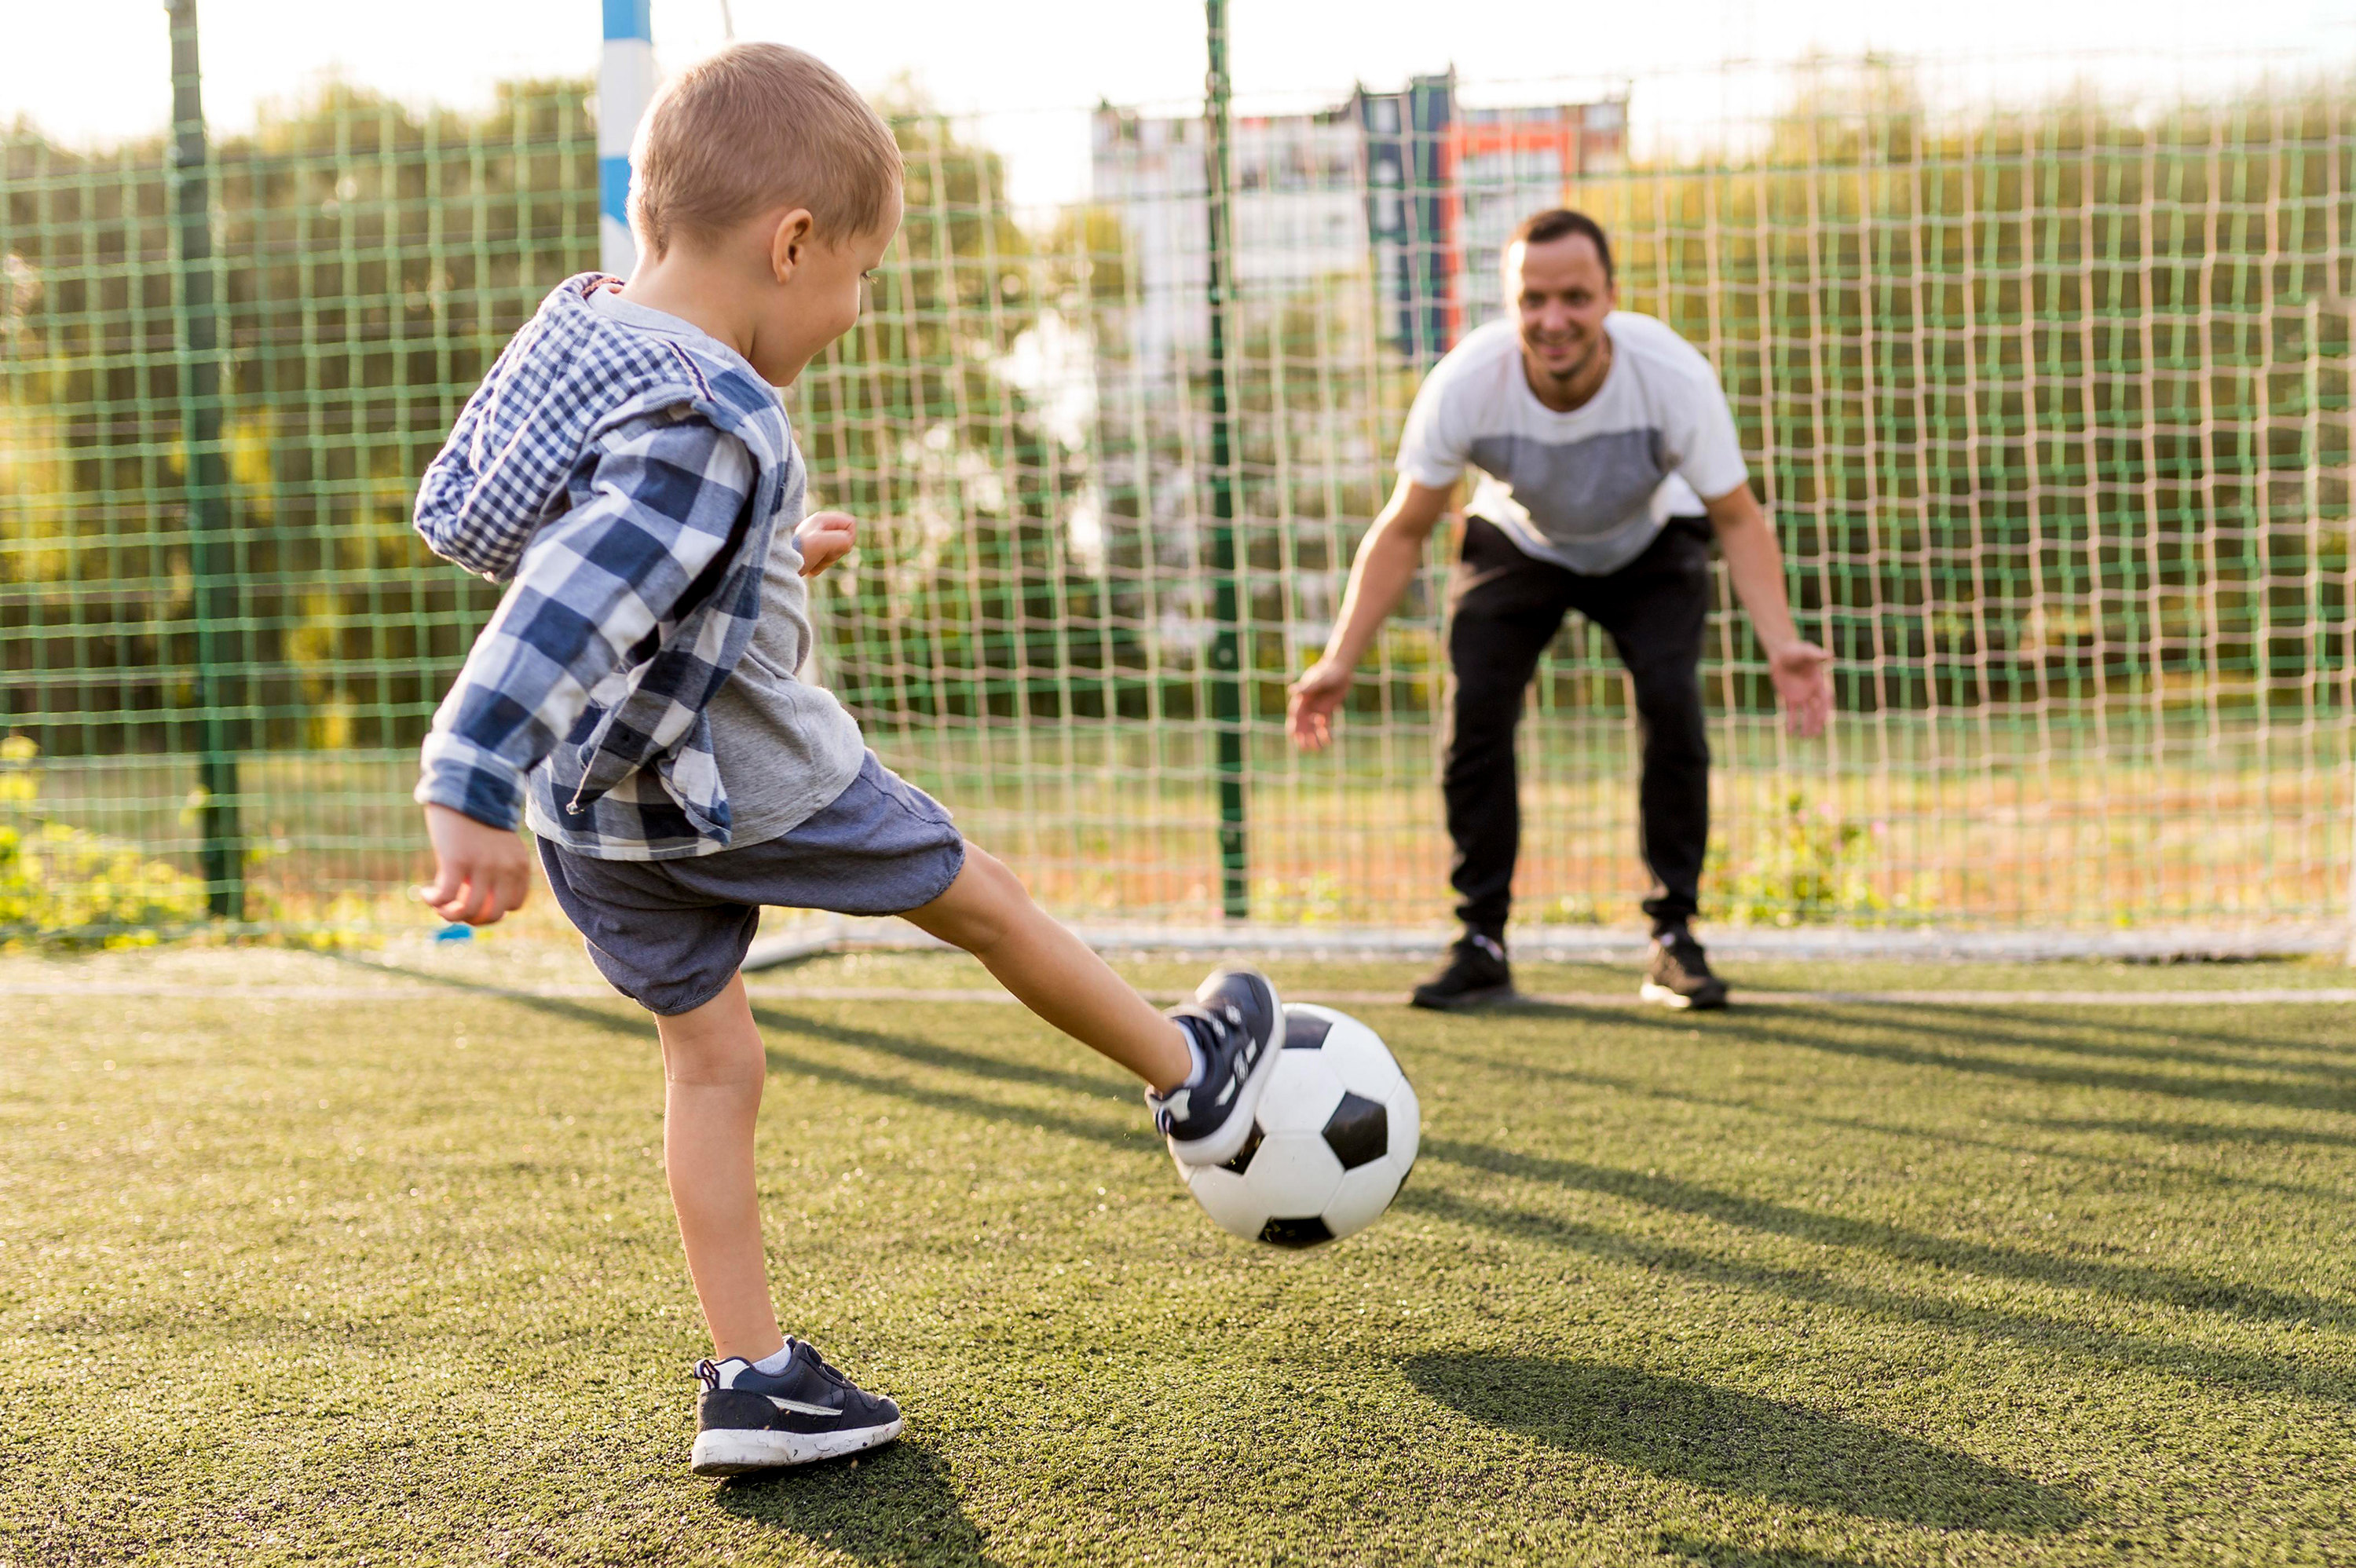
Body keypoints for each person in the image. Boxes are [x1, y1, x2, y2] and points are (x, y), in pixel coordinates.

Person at [408, 43, 1283, 1477]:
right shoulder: (708, 414)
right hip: (737, 774)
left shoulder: (576, 335)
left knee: (711, 1064)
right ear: (792, 241)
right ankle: (1193, 1070)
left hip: (603, 819)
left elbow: (502, 515)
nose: (857, 311)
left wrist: (749, 554)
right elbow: (567, 595)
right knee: (978, 895)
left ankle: (751, 1378)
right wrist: (464, 775)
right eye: (859, 276)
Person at [1287, 209, 1831, 1012]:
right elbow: (1404, 527)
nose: (1553, 319)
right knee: (1475, 713)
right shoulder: (1467, 384)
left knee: (1673, 705)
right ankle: (1481, 940)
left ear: (1610, 296)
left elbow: (1739, 517)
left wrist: (1782, 641)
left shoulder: (1671, 376)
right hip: (1520, 539)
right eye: (1532, 299)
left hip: (1648, 539)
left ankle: (1673, 935)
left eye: (1575, 297)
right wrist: (1338, 657)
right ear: (1510, 301)